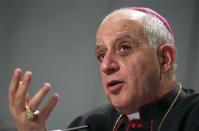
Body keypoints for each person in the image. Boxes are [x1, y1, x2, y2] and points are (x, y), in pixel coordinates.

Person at [8, 6, 199, 131]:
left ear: (164, 59)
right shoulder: (89, 125)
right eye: (101, 55)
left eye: (124, 48)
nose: (106, 66)